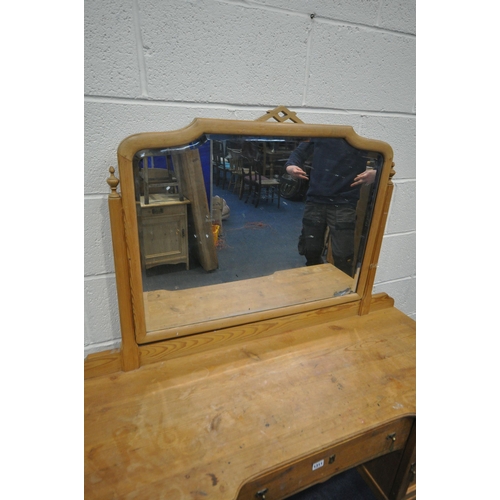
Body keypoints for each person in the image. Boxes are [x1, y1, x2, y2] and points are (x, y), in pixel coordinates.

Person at [284, 138, 377, 277]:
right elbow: (298, 153)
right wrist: (290, 167)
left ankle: (343, 291)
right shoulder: (321, 132)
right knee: (311, 250)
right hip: (315, 199)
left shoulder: (360, 134)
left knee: (343, 256)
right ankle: (314, 283)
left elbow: (387, 156)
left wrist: (377, 173)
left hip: (344, 202)